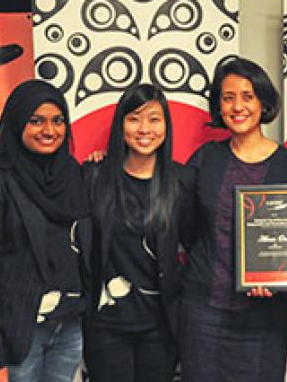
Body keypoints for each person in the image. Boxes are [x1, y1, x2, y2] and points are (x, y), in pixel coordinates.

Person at [179, 57, 287, 382]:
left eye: (248, 96)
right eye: (228, 97)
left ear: (263, 102)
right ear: (219, 106)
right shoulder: (204, 160)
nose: (238, 106)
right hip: (203, 313)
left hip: (264, 319)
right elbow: (185, 227)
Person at [0, 80, 90, 382]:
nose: (49, 130)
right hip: (12, 336)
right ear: (17, 123)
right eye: (36, 121)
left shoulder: (71, 173)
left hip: (68, 328)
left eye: (58, 121)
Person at [82, 83, 191, 382]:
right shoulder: (94, 176)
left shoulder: (182, 181)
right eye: (134, 118)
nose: (145, 129)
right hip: (106, 325)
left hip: (161, 325)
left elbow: (198, 244)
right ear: (121, 125)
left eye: (154, 119)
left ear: (166, 126)